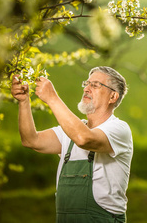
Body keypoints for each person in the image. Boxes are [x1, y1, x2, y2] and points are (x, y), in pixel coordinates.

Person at [11, 66, 133, 223]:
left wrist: (52, 98)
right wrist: (23, 101)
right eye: (86, 84)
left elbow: (84, 139)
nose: (86, 89)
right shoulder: (69, 131)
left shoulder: (119, 129)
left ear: (113, 96)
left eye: (95, 85)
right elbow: (30, 140)